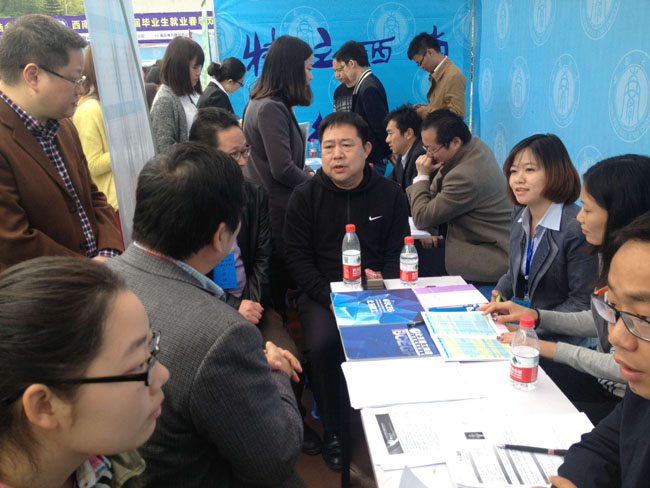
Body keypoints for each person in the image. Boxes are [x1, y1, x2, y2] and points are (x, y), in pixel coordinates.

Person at [107, 142, 305, 487]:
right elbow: (275, 456)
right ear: (220, 236)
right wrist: (276, 372)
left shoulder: (100, 278)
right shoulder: (223, 335)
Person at [189, 108, 322, 455]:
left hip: (255, 304)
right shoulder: (188, 204)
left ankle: (290, 421)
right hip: (207, 310)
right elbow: (185, 274)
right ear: (204, 155)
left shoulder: (254, 194)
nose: (243, 162)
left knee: (290, 358)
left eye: (245, 151)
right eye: (233, 155)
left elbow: (263, 256)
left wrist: (252, 303)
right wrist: (232, 306)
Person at [284, 112, 410, 470]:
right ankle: (336, 430)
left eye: (345, 145)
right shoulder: (305, 196)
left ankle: (396, 418)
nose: (336, 155)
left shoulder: (390, 194)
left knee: (403, 338)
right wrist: (329, 298)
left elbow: (396, 253)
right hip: (322, 292)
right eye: (328, 147)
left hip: (377, 291)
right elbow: (296, 257)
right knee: (323, 345)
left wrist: (378, 290)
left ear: (367, 149)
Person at [485, 155, 650, 424]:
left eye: (588, 209)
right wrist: (535, 317)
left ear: (620, 213)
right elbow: (597, 319)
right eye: (513, 171)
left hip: (620, 394)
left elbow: (618, 363)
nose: (580, 217)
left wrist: (543, 345)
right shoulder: (608, 256)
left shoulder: (632, 268)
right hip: (603, 381)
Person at [0, 256, 169, 488]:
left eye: (151, 346)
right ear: (45, 405)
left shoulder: (103, 464)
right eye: (139, 365)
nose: (163, 375)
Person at [0, 14, 123, 270]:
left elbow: (93, 197)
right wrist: (89, 269)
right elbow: (13, 241)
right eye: (75, 80)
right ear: (34, 76)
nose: (80, 90)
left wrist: (109, 251)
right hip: (47, 288)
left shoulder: (63, 126)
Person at [548, 211, 650, 488]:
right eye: (613, 306)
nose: (615, 336)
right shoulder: (643, 391)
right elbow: (604, 446)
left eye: (644, 317)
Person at [493, 134, 598, 332]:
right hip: (522, 327)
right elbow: (516, 271)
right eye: (513, 171)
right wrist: (501, 291)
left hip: (557, 337)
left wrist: (530, 328)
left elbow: (581, 304)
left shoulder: (576, 227)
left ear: (555, 173)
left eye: (529, 170)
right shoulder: (520, 213)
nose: (518, 179)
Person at [243, 35, 314, 312]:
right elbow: (282, 169)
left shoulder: (262, 102)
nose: (310, 76)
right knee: (278, 286)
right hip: (276, 213)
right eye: (308, 68)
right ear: (292, 69)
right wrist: (315, 182)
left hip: (269, 208)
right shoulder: (271, 107)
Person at [406, 109, 511, 288]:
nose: (428, 155)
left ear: (455, 142)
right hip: (472, 240)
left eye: (432, 149)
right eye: (426, 148)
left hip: (490, 255)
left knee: (410, 260)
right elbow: (432, 199)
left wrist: (422, 175)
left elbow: (422, 217)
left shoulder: (466, 175)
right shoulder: (472, 146)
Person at [72, 46, 118, 217]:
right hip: (111, 204)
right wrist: (123, 150)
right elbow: (92, 164)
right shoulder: (89, 110)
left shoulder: (108, 106)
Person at [334, 41, 390, 173]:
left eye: (343, 67)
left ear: (352, 64)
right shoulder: (363, 85)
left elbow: (380, 126)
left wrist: (389, 151)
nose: (342, 72)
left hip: (372, 159)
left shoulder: (369, 88)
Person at [150, 36, 204, 153]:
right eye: (195, 67)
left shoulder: (183, 95)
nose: (199, 73)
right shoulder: (165, 101)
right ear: (179, 67)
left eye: (200, 67)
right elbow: (165, 150)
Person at [407, 32, 467, 119]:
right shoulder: (439, 73)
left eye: (420, 63)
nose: (421, 67)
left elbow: (456, 115)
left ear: (430, 52)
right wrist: (421, 107)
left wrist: (424, 112)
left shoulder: (453, 75)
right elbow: (440, 106)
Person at [385, 104, 427, 190]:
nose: (387, 140)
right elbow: (388, 185)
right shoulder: (402, 155)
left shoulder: (420, 156)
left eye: (390, 133)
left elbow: (411, 195)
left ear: (408, 133)